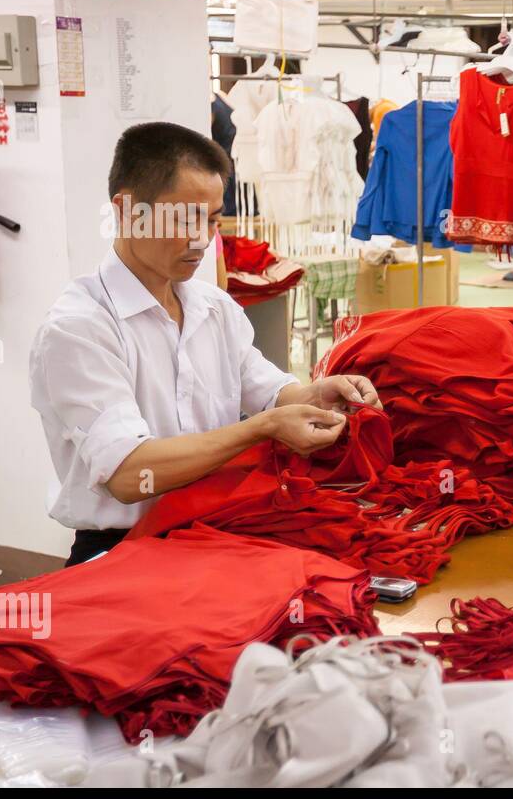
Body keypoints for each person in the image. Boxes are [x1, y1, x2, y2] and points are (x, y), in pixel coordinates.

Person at [30, 122, 382, 567]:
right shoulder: (80, 328)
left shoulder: (213, 308)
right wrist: (263, 427)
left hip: (217, 530)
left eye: (212, 219)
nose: (202, 239)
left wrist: (317, 396)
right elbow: (127, 473)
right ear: (126, 210)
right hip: (121, 551)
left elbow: (265, 387)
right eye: (184, 219)